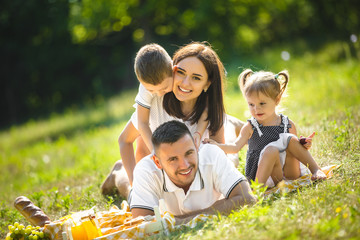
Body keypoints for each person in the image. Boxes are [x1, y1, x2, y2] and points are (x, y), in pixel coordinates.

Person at [101, 42, 230, 197]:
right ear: (173, 69)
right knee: (138, 196)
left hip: (188, 175)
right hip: (159, 171)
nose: (185, 83)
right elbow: (128, 141)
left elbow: (220, 160)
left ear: (207, 84)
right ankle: (119, 173)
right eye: (181, 72)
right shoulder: (155, 98)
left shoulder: (212, 111)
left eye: (196, 78)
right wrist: (136, 185)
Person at [204, 69, 327, 188]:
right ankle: (256, 191)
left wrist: (303, 145)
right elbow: (235, 147)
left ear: (277, 99)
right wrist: (216, 145)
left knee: (290, 138)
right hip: (263, 176)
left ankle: (316, 169)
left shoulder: (287, 123)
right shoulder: (251, 127)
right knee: (271, 150)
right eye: (251, 104)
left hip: (290, 174)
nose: (256, 109)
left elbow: (294, 151)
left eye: (262, 104)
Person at [130, 120, 256, 224]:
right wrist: (220, 207)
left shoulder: (211, 154)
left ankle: (231, 121)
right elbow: (142, 225)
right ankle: (117, 174)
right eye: (173, 159)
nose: (184, 165)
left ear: (196, 146)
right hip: (143, 188)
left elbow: (247, 198)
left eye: (189, 153)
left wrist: (179, 221)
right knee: (125, 186)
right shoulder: (146, 170)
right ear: (157, 162)